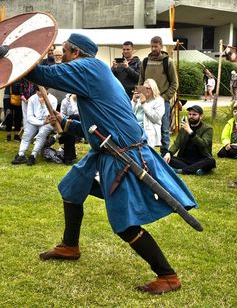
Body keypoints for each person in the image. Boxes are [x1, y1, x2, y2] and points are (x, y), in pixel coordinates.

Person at [26, 33, 197, 295]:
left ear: (75, 53)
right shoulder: (95, 72)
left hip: (122, 155)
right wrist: (68, 123)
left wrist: (19, 63)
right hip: (106, 149)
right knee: (71, 188)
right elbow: (100, 125)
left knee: (124, 223)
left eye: (65, 52)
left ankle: (168, 275)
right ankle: (70, 246)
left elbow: (45, 75)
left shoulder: (88, 68)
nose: (63, 57)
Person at [139, 36, 179, 157]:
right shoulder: (145, 61)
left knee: (164, 128)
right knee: (144, 126)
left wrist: (165, 98)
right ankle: (145, 152)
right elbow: (141, 80)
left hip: (162, 101)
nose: (153, 48)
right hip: (146, 101)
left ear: (161, 46)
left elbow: (174, 83)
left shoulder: (168, 61)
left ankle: (164, 154)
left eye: (156, 46)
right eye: (152, 46)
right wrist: (140, 95)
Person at [163, 105, 216, 175]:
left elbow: (203, 144)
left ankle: (182, 170)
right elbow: (177, 144)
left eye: (194, 114)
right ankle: (195, 170)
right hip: (184, 159)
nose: (191, 116)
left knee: (211, 161)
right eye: (190, 114)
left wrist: (190, 132)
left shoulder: (207, 129)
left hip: (200, 159)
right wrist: (169, 153)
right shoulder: (184, 128)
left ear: (201, 116)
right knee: (164, 155)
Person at [11, 88, 57, 166]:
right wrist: (41, 122)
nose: (39, 93)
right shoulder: (32, 98)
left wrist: (43, 105)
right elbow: (29, 116)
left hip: (47, 122)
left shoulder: (53, 99)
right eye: (37, 91)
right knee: (27, 134)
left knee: (41, 134)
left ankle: (33, 155)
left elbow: (48, 116)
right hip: (36, 121)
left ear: (46, 90)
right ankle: (21, 154)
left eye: (41, 91)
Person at [131, 79, 164, 148]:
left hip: (148, 133)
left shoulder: (159, 100)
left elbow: (156, 118)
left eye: (148, 88)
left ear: (153, 89)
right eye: (143, 88)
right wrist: (133, 101)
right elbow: (130, 113)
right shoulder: (139, 98)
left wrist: (144, 104)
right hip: (135, 129)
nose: (145, 90)